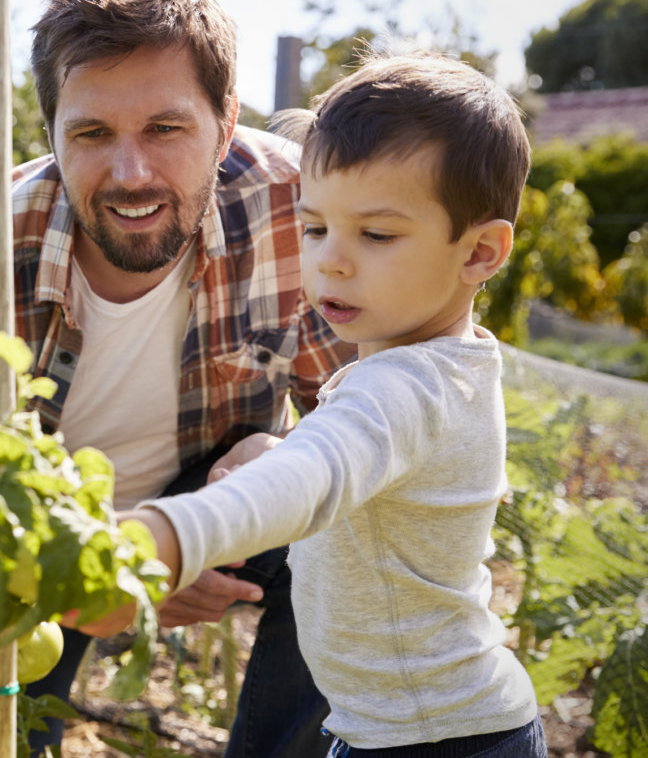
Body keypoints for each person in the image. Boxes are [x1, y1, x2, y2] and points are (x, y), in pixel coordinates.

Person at [0, 0, 354, 754]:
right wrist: (98, 571)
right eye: (93, 133)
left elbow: (371, 409)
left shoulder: (296, 212)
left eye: (166, 128)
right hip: (41, 546)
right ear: (50, 135)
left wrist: (273, 457)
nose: (131, 172)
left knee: (352, 530)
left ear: (226, 118)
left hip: (226, 503)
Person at [113, 49, 546, 756]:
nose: (332, 260)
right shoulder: (443, 363)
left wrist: (161, 537)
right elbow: (366, 470)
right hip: (412, 725)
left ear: (479, 254)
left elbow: (311, 483)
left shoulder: (404, 383)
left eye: (376, 234)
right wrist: (286, 446)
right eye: (315, 228)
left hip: (433, 740)